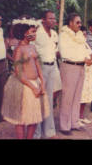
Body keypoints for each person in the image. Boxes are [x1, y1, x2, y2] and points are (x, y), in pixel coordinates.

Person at [1, 18, 49, 139]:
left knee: (34, 117)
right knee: (21, 118)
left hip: (35, 84)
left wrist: (42, 82)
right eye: (33, 31)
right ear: (25, 33)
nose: (35, 34)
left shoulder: (32, 47)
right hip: (25, 86)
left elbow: (38, 66)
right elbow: (18, 72)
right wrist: (32, 87)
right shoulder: (19, 49)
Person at [58, 13, 92, 135]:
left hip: (80, 67)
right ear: (70, 23)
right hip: (69, 67)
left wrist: (88, 58)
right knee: (67, 97)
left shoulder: (79, 35)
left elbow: (83, 50)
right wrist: (83, 59)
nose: (80, 25)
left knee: (77, 96)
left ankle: (74, 122)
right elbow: (66, 53)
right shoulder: (63, 35)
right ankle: (64, 125)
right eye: (77, 22)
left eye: (80, 22)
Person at [33, 10, 60, 139]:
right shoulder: (37, 33)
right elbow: (31, 51)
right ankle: (36, 133)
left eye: (54, 19)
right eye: (50, 18)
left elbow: (56, 51)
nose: (53, 21)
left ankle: (49, 131)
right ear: (43, 19)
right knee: (38, 99)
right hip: (40, 68)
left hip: (52, 67)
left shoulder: (54, 34)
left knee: (49, 99)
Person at [79, 26, 92, 124]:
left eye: (85, 34)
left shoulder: (86, 44)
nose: (84, 36)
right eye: (82, 34)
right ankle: (77, 117)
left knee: (85, 95)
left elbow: (90, 57)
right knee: (81, 95)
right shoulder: (77, 45)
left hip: (89, 72)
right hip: (83, 71)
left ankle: (81, 116)